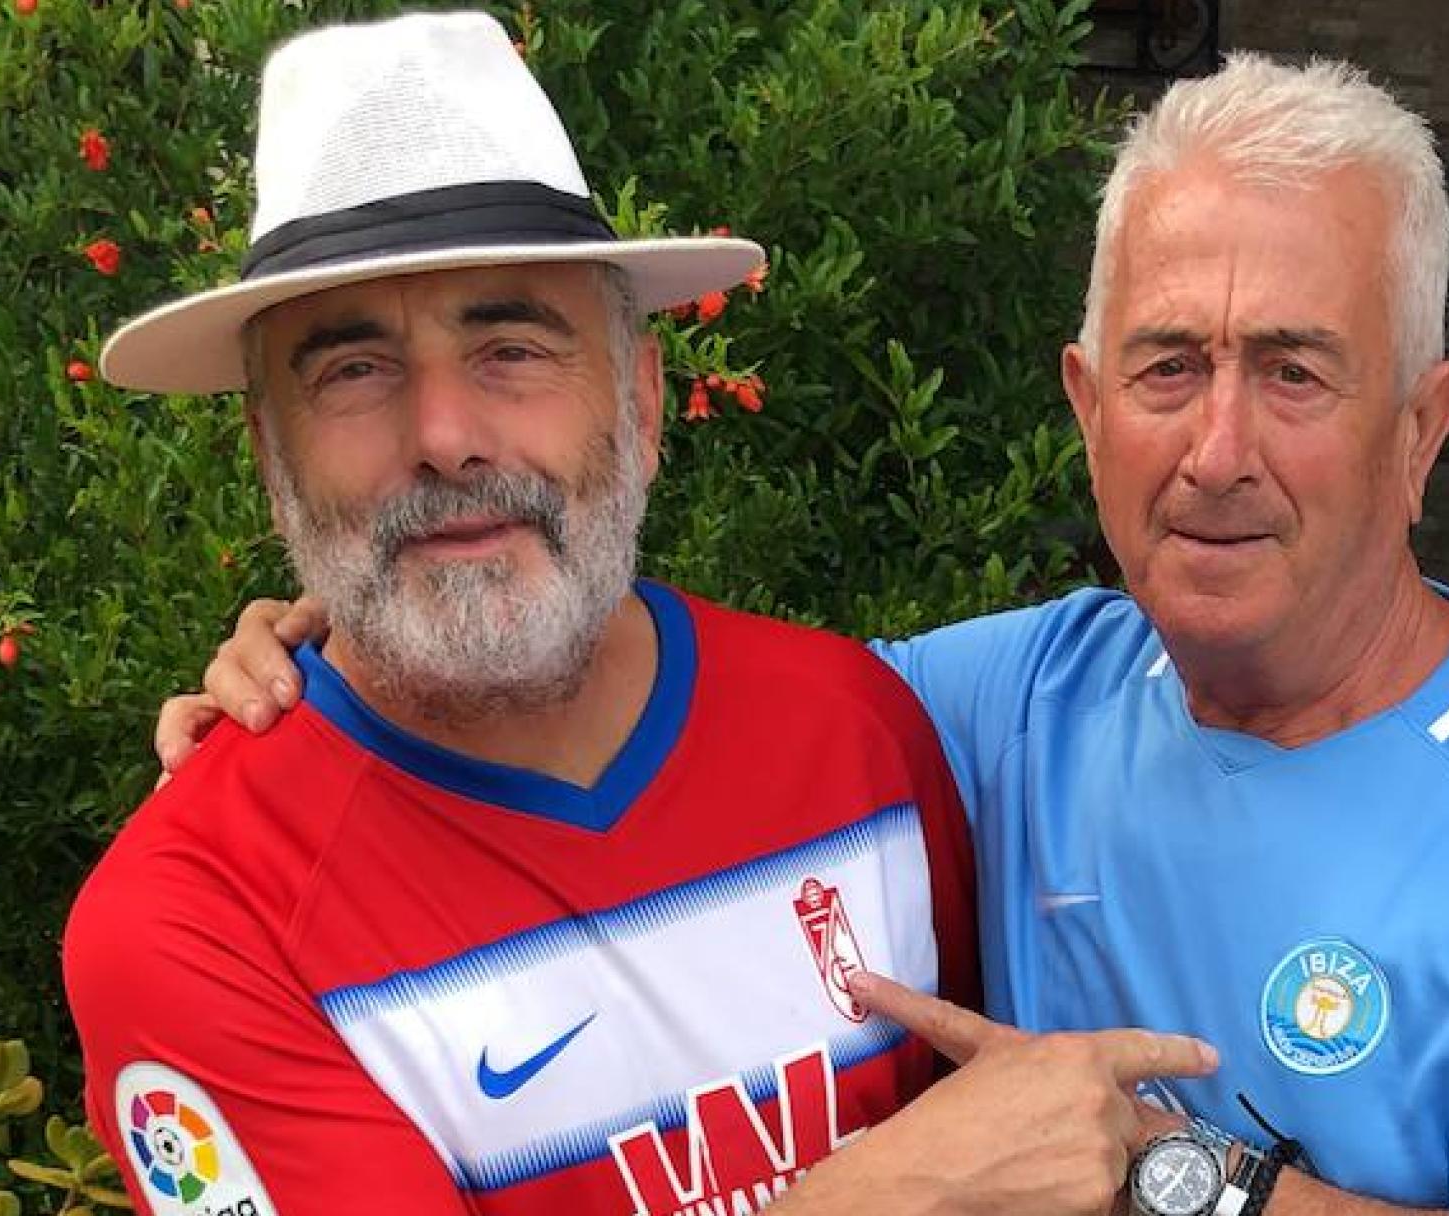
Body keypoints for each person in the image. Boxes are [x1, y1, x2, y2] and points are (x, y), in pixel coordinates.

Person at [157, 50, 1449, 1216]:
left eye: (1299, 374)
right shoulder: (987, 706)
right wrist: (349, 644)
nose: (1219, 449)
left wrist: (1166, 1171)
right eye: (1169, 365)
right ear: (1087, 404)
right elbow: (614, 698)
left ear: (1423, 424)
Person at [67, 13, 1217, 1216]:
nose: (445, 436)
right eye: (353, 372)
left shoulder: (856, 732)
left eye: (512, 347)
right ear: (273, 452)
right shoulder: (194, 919)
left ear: (644, 400)